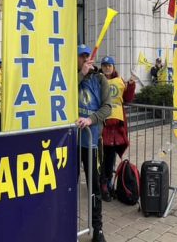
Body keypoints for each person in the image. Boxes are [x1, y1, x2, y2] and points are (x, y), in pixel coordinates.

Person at [76, 45, 110, 242]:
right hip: (71, 142)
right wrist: (81, 74)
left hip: (92, 141)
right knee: (69, 185)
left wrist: (91, 119)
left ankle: (98, 228)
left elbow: (107, 107)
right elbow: (65, 93)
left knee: (94, 186)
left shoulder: (100, 79)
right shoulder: (72, 77)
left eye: (87, 56)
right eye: (81, 56)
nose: (85, 59)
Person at [98, 56, 135, 202]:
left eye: (109, 65)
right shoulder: (97, 80)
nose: (107, 68)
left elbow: (127, 98)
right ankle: (102, 185)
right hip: (102, 124)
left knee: (111, 157)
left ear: (113, 67)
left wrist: (131, 86)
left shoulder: (120, 81)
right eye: (104, 65)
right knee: (102, 158)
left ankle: (108, 183)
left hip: (116, 127)